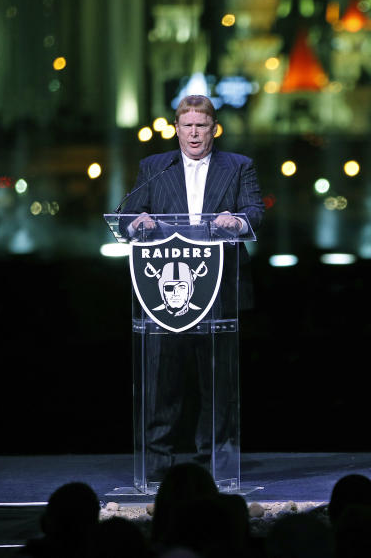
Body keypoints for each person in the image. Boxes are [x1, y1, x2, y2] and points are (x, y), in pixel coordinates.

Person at [122, 95, 264, 480]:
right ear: (177, 128)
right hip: (163, 296)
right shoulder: (155, 167)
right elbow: (126, 215)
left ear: (214, 128)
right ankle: (155, 468)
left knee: (217, 387)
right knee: (161, 384)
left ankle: (213, 468)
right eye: (188, 126)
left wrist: (235, 221)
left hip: (220, 295)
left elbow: (255, 212)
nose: (195, 133)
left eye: (202, 125)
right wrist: (137, 224)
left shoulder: (238, 167)